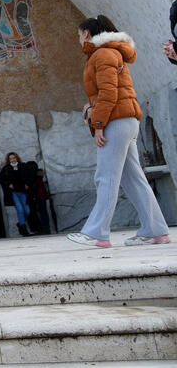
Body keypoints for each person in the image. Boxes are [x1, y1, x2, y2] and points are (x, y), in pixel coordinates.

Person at [68, 15, 170, 248]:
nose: (79, 39)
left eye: (79, 34)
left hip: (116, 121)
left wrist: (98, 125)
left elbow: (108, 93)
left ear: (86, 34)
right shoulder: (110, 52)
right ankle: (155, 231)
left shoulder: (102, 54)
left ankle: (97, 233)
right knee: (133, 179)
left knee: (106, 177)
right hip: (125, 119)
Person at [0, 152, 32, 237]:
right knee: (20, 210)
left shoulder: (23, 166)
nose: (12, 160)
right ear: (8, 160)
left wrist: (27, 184)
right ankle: (24, 230)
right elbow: (0, 179)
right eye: (10, 158)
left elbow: (30, 176)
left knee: (27, 211)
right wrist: (8, 184)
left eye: (14, 158)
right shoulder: (6, 168)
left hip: (23, 191)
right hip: (13, 192)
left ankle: (20, 223)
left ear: (17, 158)